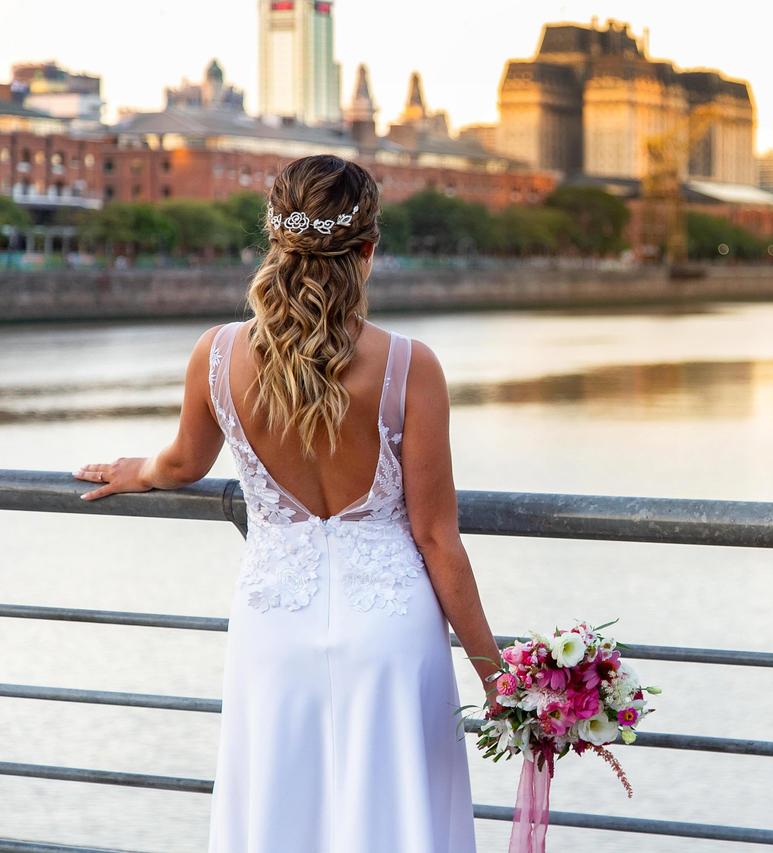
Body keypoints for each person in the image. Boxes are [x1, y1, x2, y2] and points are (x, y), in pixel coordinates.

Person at [73, 154, 502, 852]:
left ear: (275, 241)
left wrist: (137, 469)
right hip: (390, 635)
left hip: (274, 628)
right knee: (398, 818)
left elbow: (183, 461)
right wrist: (499, 679)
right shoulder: (409, 367)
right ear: (367, 251)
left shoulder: (217, 355)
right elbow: (436, 538)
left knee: (277, 816)